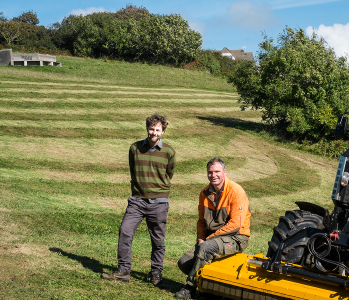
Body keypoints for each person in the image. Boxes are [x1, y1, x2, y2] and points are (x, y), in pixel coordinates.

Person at [102, 114, 176, 287]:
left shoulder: (169, 152)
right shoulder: (134, 148)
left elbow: (169, 173)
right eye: (151, 129)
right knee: (125, 231)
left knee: (158, 240)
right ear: (147, 129)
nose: (154, 132)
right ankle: (123, 270)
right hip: (137, 201)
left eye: (158, 130)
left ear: (163, 131)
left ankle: (156, 272)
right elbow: (132, 170)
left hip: (159, 202)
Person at [175, 158, 251, 299]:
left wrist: (208, 240)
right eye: (210, 172)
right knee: (184, 262)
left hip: (236, 237)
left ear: (224, 172)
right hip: (213, 239)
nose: (213, 175)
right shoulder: (204, 193)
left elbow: (236, 224)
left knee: (206, 248)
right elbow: (201, 221)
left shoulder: (236, 191)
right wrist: (200, 239)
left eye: (217, 171)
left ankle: (189, 288)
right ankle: (211, 288)